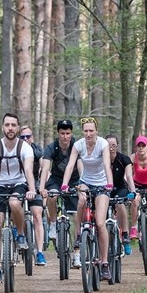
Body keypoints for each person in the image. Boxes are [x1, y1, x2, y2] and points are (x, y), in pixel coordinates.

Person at [0, 112, 37, 285]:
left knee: (15, 202)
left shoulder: (25, 147)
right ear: (2, 127)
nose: (10, 128)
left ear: (18, 128)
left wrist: (32, 189)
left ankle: (20, 234)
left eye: (13, 125)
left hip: (19, 184)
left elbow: (28, 171)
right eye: (7, 125)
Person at [60, 117, 115, 282]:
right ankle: (78, 234)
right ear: (82, 132)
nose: (89, 134)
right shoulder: (79, 145)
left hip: (102, 184)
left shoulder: (103, 144)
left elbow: (106, 165)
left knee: (99, 223)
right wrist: (64, 184)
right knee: (82, 201)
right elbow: (70, 165)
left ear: (96, 131)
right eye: (86, 131)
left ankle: (104, 262)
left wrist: (110, 183)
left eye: (91, 130)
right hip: (86, 182)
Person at [39, 119, 81, 268]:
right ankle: (53, 223)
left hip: (74, 181)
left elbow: (81, 165)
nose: (65, 136)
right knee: (52, 195)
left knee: (77, 215)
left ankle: (77, 254)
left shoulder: (77, 146)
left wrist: (82, 183)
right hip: (56, 180)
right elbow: (45, 168)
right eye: (62, 133)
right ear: (58, 134)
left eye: (68, 133)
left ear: (71, 133)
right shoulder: (51, 147)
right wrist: (42, 187)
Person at [19, 125, 47, 266]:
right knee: (14, 209)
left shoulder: (37, 150)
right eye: (22, 137)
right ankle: (16, 236)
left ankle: (40, 252)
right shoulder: (16, 149)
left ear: (32, 138)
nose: (25, 139)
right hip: (17, 183)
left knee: (37, 215)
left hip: (34, 183)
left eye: (27, 136)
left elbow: (43, 166)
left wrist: (42, 185)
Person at [105, 134, 137, 256]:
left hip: (120, 188)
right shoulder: (100, 159)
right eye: (108, 146)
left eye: (113, 145)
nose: (111, 148)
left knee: (120, 204)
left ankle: (125, 234)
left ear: (117, 146)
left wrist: (133, 191)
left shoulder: (124, 159)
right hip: (105, 189)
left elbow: (129, 176)